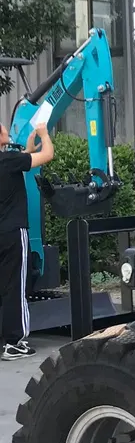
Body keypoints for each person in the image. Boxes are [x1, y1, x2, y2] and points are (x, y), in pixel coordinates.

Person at [0, 122, 55, 360]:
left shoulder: (9, 161)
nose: (6, 130)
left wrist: (31, 142)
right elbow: (47, 155)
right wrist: (43, 133)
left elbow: (25, 157)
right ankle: (14, 343)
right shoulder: (8, 161)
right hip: (13, 232)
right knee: (14, 287)